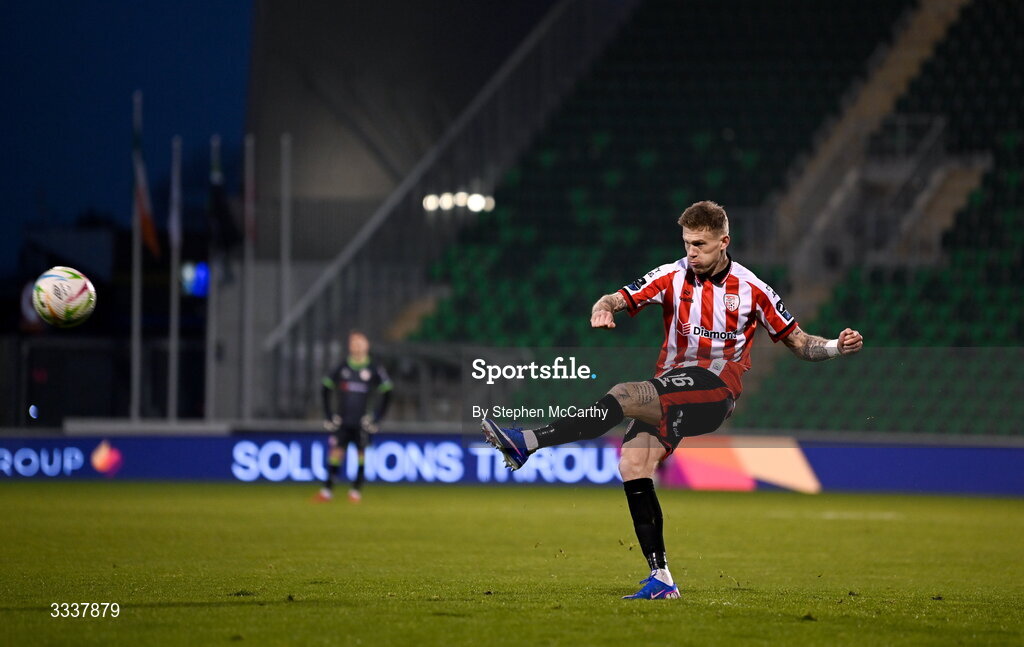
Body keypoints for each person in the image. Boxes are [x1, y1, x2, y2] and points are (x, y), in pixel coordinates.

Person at [482, 201, 863, 599]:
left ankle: (527, 442)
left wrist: (837, 345)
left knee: (624, 394)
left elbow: (800, 343)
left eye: (700, 244)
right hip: (672, 386)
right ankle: (662, 579)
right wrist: (602, 308)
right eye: (686, 244)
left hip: (715, 392)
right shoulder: (670, 275)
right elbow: (616, 298)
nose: (691, 252)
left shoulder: (753, 290)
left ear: (724, 241)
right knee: (632, 464)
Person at [315, 330, 393, 503]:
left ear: (367, 346)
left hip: (362, 422)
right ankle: (327, 490)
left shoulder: (373, 369)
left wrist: (377, 418)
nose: (356, 346)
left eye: (360, 343)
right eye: (353, 343)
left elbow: (388, 391)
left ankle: (355, 491)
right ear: (349, 346)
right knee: (336, 453)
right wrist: (329, 415)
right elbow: (325, 388)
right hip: (343, 420)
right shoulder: (342, 367)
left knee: (361, 454)